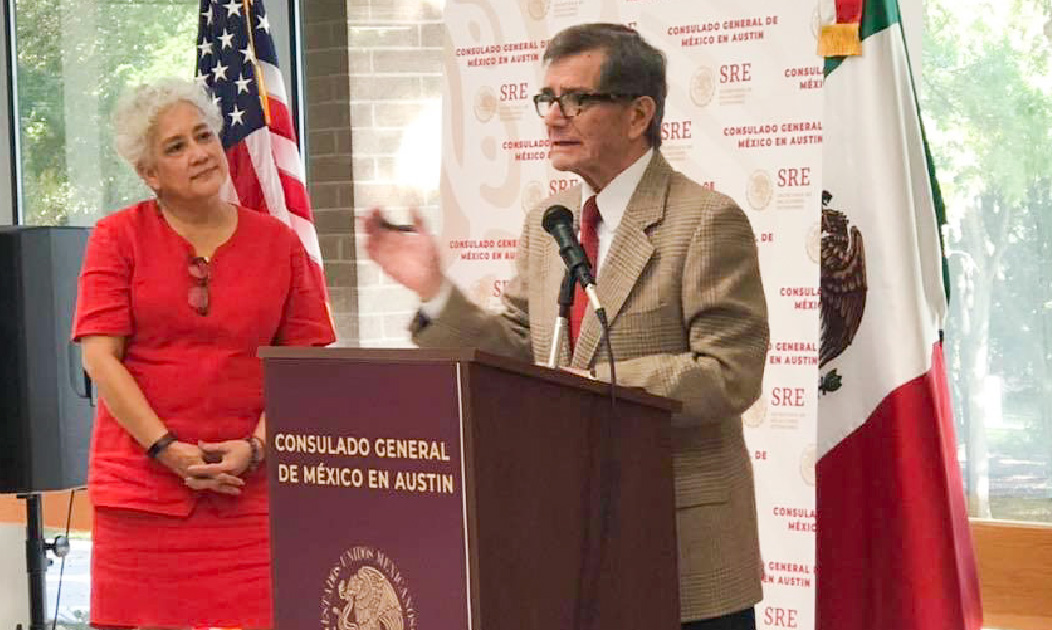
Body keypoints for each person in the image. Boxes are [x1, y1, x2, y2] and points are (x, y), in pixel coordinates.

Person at [366, 23, 768, 629]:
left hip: (680, 548)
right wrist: (434, 290)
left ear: (639, 114)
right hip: (568, 542)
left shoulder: (705, 222)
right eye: (547, 100)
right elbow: (522, 354)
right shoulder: (547, 225)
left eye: (577, 99)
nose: (554, 117)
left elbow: (727, 375)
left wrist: (588, 386)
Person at [74, 77, 335, 629]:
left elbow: (308, 365)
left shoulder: (278, 243)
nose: (198, 153)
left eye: (203, 137)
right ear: (149, 174)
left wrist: (258, 448)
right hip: (143, 495)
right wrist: (167, 449)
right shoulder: (116, 237)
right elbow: (100, 360)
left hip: (251, 494)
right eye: (175, 147)